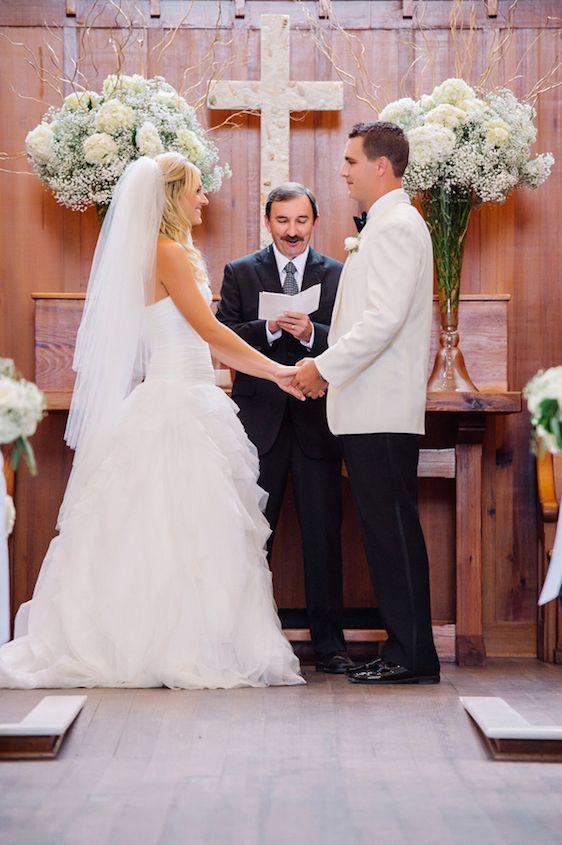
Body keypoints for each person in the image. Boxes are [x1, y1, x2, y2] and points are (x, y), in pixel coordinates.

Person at [0, 153, 306, 690]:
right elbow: (212, 334)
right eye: (195, 191)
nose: (204, 199)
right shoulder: (168, 253)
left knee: (181, 531)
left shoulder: (165, 251)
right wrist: (280, 372)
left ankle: (173, 639)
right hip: (178, 400)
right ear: (171, 199)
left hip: (187, 393)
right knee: (179, 531)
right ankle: (170, 645)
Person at [295, 122, 440, 685]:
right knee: (387, 532)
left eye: (351, 160)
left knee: (393, 533)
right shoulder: (387, 224)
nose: (343, 170)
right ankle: (407, 649)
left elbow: (381, 321)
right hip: (371, 408)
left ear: (382, 165)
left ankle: (411, 655)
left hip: (379, 408)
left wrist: (321, 369)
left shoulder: (398, 226)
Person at [216, 184, 353, 674]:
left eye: (301, 221)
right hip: (261, 423)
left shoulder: (339, 273)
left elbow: (352, 339)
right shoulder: (240, 271)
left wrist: (312, 335)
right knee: (254, 535)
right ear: (267, 222)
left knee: (322, 534)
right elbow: (222, 338)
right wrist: (271, 330)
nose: (292, 231)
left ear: (314, 221)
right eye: (282, 221)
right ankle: (244, 643)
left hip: (317, 421)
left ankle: (330, 645)